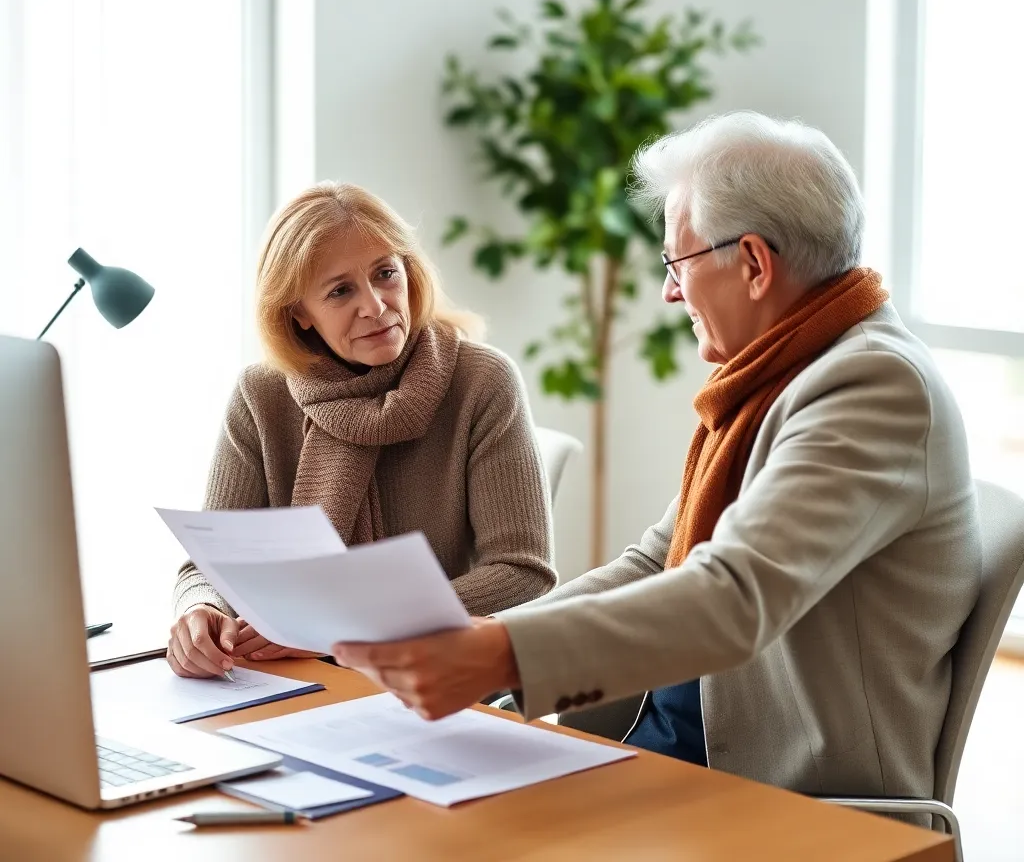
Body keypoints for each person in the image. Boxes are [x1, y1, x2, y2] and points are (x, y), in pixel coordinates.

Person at [330, 112, 982, 805]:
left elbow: (733, 598)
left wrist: (499, 657)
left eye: (678, 263)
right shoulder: (778, 374)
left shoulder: (873, 388)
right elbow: (656, 559)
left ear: (755, 264)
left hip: (782, 795)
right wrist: (484, 640)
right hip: (675, 750)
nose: (670, 291)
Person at [167, 183, 556, 678]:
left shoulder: (482, 381)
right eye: (340, 290)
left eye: (385, 274)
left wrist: (340, 624)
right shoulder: (260, 394)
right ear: (298, 313)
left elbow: (524, 573)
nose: (375, 305)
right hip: (288, 678)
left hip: (436, 681)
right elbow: (209, 562)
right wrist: (199, 613)